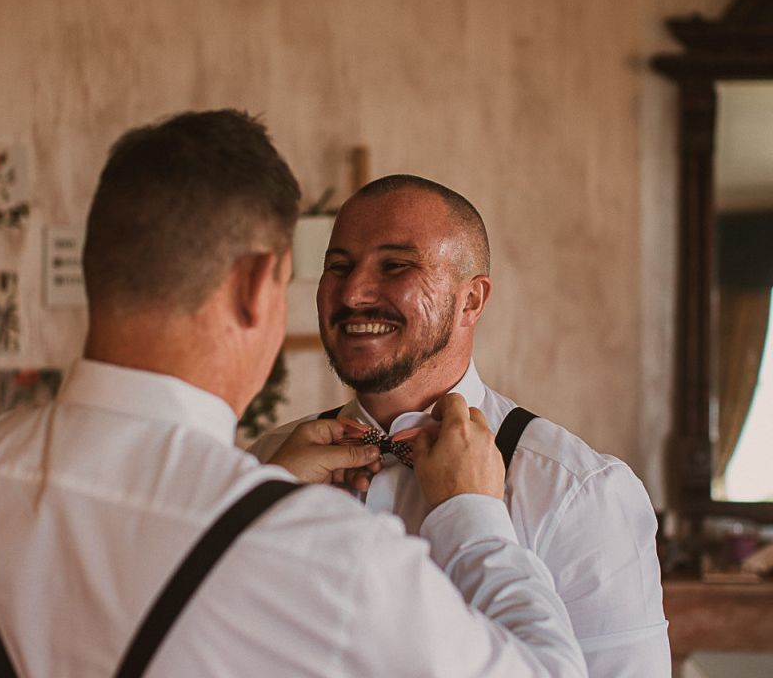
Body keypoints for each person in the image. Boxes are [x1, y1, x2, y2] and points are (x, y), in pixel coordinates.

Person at [0, 112, 586, 677]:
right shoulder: (323, 555)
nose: (352, 296)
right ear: (257, 284)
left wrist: (261, 488)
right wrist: (473, 519)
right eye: (329, 269)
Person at [251, 174, 671, 678]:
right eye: (338, 266)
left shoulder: (580, 493)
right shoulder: (265, 466)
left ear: (472, 301)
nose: (354, 292)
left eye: (395, 265)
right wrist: (257, 517)